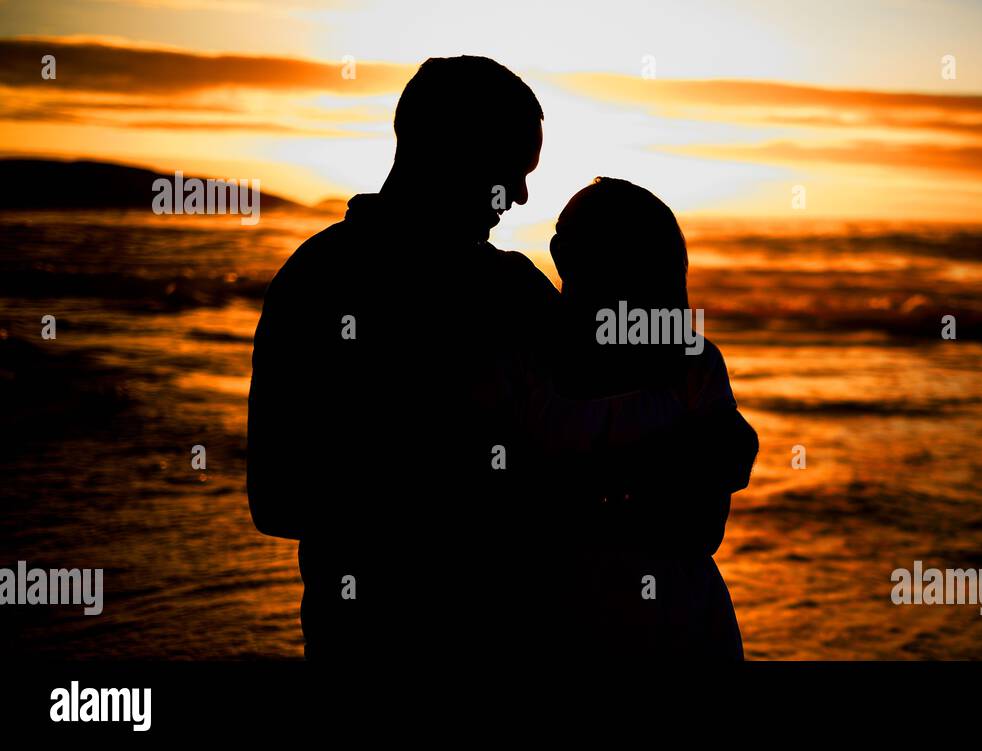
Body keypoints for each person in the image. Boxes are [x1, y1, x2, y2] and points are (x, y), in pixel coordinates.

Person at [247, 57, 757, 661]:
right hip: (372, 639)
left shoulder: (511, 287)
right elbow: (277, 497)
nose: (518, 195)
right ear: (450, 147)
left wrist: (714, 441)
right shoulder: (321, 285)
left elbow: (647, 388)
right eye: (511, 169)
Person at [529, 177, 747, 659]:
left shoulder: (691, 361)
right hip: (659, 610)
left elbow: (703, 526)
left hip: (657, 615)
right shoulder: (526, 355)